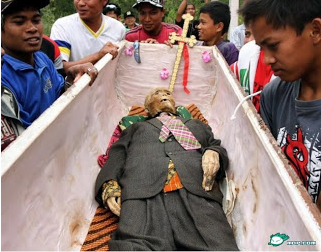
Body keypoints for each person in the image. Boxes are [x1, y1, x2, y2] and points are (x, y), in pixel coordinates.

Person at [95, 87, 238, 250]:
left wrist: (214, 152)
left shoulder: (197, 125)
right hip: (143, 195)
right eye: (157, 94)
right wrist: (108, 184)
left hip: (197, 192)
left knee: (220, 247)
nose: (164, 95)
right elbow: (117, 154)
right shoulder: (134, 128)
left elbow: (215, 146)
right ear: (148, 109)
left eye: (168, 94)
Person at [240, 0, 321, 209]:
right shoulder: (273, 95)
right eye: (261, 49)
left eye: (273, 46)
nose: (266, 60)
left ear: (315, 31)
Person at [1, 0, 98, 144]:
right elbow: (21, 139)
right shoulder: (3, 75)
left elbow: (59, 97)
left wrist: (70, 79)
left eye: (36, 20)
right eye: (20, 22)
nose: (32, 28)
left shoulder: (42, 59)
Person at [50, 0, 125, 72]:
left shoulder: (118, 28)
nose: (80, 3)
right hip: (76, 85)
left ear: (104, 1)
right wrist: (98, 56)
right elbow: (58, 68)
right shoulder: (63, 26)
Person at [230, 24, 274, 113]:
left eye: (258, 34)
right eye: (247, 34)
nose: (250, 41)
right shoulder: (237, 69)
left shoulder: (283, 70)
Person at [197, 1, 239, 65]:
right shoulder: (197, 47)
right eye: (199, 22)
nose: (199, 26)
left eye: (203, 23)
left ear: (219, 27)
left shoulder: (228, 50)